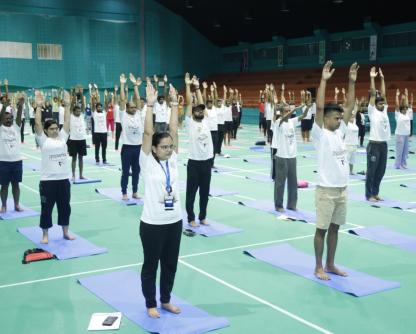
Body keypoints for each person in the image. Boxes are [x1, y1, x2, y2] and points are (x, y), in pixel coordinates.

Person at [139, 78, 181, 319]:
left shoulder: (173, 159)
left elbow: (173, 131)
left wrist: (175, 104)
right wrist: (150, 105)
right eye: (163, 147)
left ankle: (165, 300)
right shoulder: (147, 162)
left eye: (169, 147)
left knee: (170, 265)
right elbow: (147, 132)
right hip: (152, 225)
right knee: (150, 266)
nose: (168, 149)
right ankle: (150, 303)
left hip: (174, 222)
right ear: (154, 148)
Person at [312, 61, 358, 281]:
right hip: (326, 191)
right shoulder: (321, 134)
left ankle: (330, 264)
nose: (340, 120)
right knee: (321, 229)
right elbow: (319, 107)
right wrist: (323, 80)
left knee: (335, 229)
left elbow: (349, 106)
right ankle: (318, 266)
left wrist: (351, 81)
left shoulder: (340, 132)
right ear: (326, 118)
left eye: (340, 118)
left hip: (342, 190)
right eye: (336, 117)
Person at [34, 90, 74, 244]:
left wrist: (68, 105)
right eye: (52, 129)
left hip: (63, 180)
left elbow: (67, 121)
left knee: (65, 207)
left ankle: (65, 232)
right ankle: (45, 235)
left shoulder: (63, 138)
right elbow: (37, 123)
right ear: (45, 130)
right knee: (47, 209)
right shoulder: (43, 140)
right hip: (48, 181)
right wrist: (38, 107)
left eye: (56, 128)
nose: (55, 130)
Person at [184, 73, 213, 227]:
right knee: (191, 193)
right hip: (194, 163)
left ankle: (203, 216)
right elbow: (190, 104)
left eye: (201, 110)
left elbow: (201, 102)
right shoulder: (190, 124)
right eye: (197, 111)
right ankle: (191, 218)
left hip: (206, 162)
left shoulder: (206, 121)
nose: (200, 112)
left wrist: (198, 87)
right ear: (193, 113)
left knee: (204, 193)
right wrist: (189, 86)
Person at [274, 100, 310, 211]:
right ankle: (278, 205)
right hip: (282, 155)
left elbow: (303, 116)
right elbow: (284, 118)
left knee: (293, 182)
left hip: (292, 155)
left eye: (289, 111)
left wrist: (307, 107)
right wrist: (294, 109)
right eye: (286, 111)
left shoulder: (292, 121)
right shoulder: (278, 122)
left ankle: (291, 204)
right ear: (281, 112)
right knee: (280, 182)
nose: (288, 112)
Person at [117, 73, 144, 200]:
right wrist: (122, 84)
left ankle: (135, 191)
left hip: (138, 147)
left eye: (134, 107)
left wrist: (135, 86)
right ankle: (124, 192)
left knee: (137, 172)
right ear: (127, 108)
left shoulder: (138, 114)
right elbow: (122, 100)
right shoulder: (123, 115)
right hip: (127, 148)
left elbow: (138, 100)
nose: (134, 109)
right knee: (126, 171)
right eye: (131, 107)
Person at [366, 67, 390, 202]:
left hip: (384, 145)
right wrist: (372, 78)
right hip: (374, 145)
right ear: (375, 104)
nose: (382, 104)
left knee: (381, 171)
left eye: (383, 103)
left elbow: (384, 94)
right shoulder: (372, 111)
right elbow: (373, 95)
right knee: (371, 171)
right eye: (380, 103)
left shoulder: (385, 111)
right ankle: (369, 195)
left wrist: (382, 78)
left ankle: (375, 193)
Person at [0, 94, 24, 214]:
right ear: (3, 119)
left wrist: (21, 105)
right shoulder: (0, 128)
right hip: (3, 162)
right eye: (6, 118)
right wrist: (4, 107)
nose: (8, 120)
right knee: (4, 186)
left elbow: (19, 116)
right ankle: (3, 206)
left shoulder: (16, 127)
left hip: (16, 161)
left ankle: (16, 205)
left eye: (10, 118)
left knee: (16, 185)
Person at [68, 93, 87, 180]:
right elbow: (71, 106)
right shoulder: (71, 116)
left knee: (81, 158)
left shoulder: (82, 116)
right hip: (73, 140)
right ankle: (73, 175)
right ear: (74, 111)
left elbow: (83, 105)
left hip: (82, 140)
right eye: (77, 111)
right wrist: (74, 96)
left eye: (79, 111)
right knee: (74, 158)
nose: (79, 112)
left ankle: (81, 175)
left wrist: (81, 93)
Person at [394, 89, 411, 169]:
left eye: (405, 109)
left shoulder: (408, 114)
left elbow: (407, 105)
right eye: (403, 109)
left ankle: (403, 163)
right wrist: (397, 96)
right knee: (399, 151)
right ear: (401, 110)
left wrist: (406, 95)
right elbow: (397, 105)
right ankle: (398, 165)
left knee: (405, 151)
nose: (405, 110)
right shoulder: (398, 114)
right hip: (400, 135)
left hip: (406, 135)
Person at [91, 87, 108, 164]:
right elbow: (92, 105)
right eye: (98, 107)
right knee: (97, 147)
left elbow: (106, 105)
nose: (99, 107)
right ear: (96, 108)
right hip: (97, 133)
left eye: (100, 106)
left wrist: (106, 96)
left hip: (104, 133)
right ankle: (97, 159)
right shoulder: (94, 113)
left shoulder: (104, 113)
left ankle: (104, 159)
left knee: (104, 147)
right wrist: (93, 97)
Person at [344, 101, 359, 175]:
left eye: (353, 116)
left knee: (352, 160)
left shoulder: (354, 123)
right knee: (346, 159)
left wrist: (356, 104)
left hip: (355, 144)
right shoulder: (346, 124)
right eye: (351, 116)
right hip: (347, 144)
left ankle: (351, 171)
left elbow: (355, 112)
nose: (353, 117)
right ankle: (344, 171)